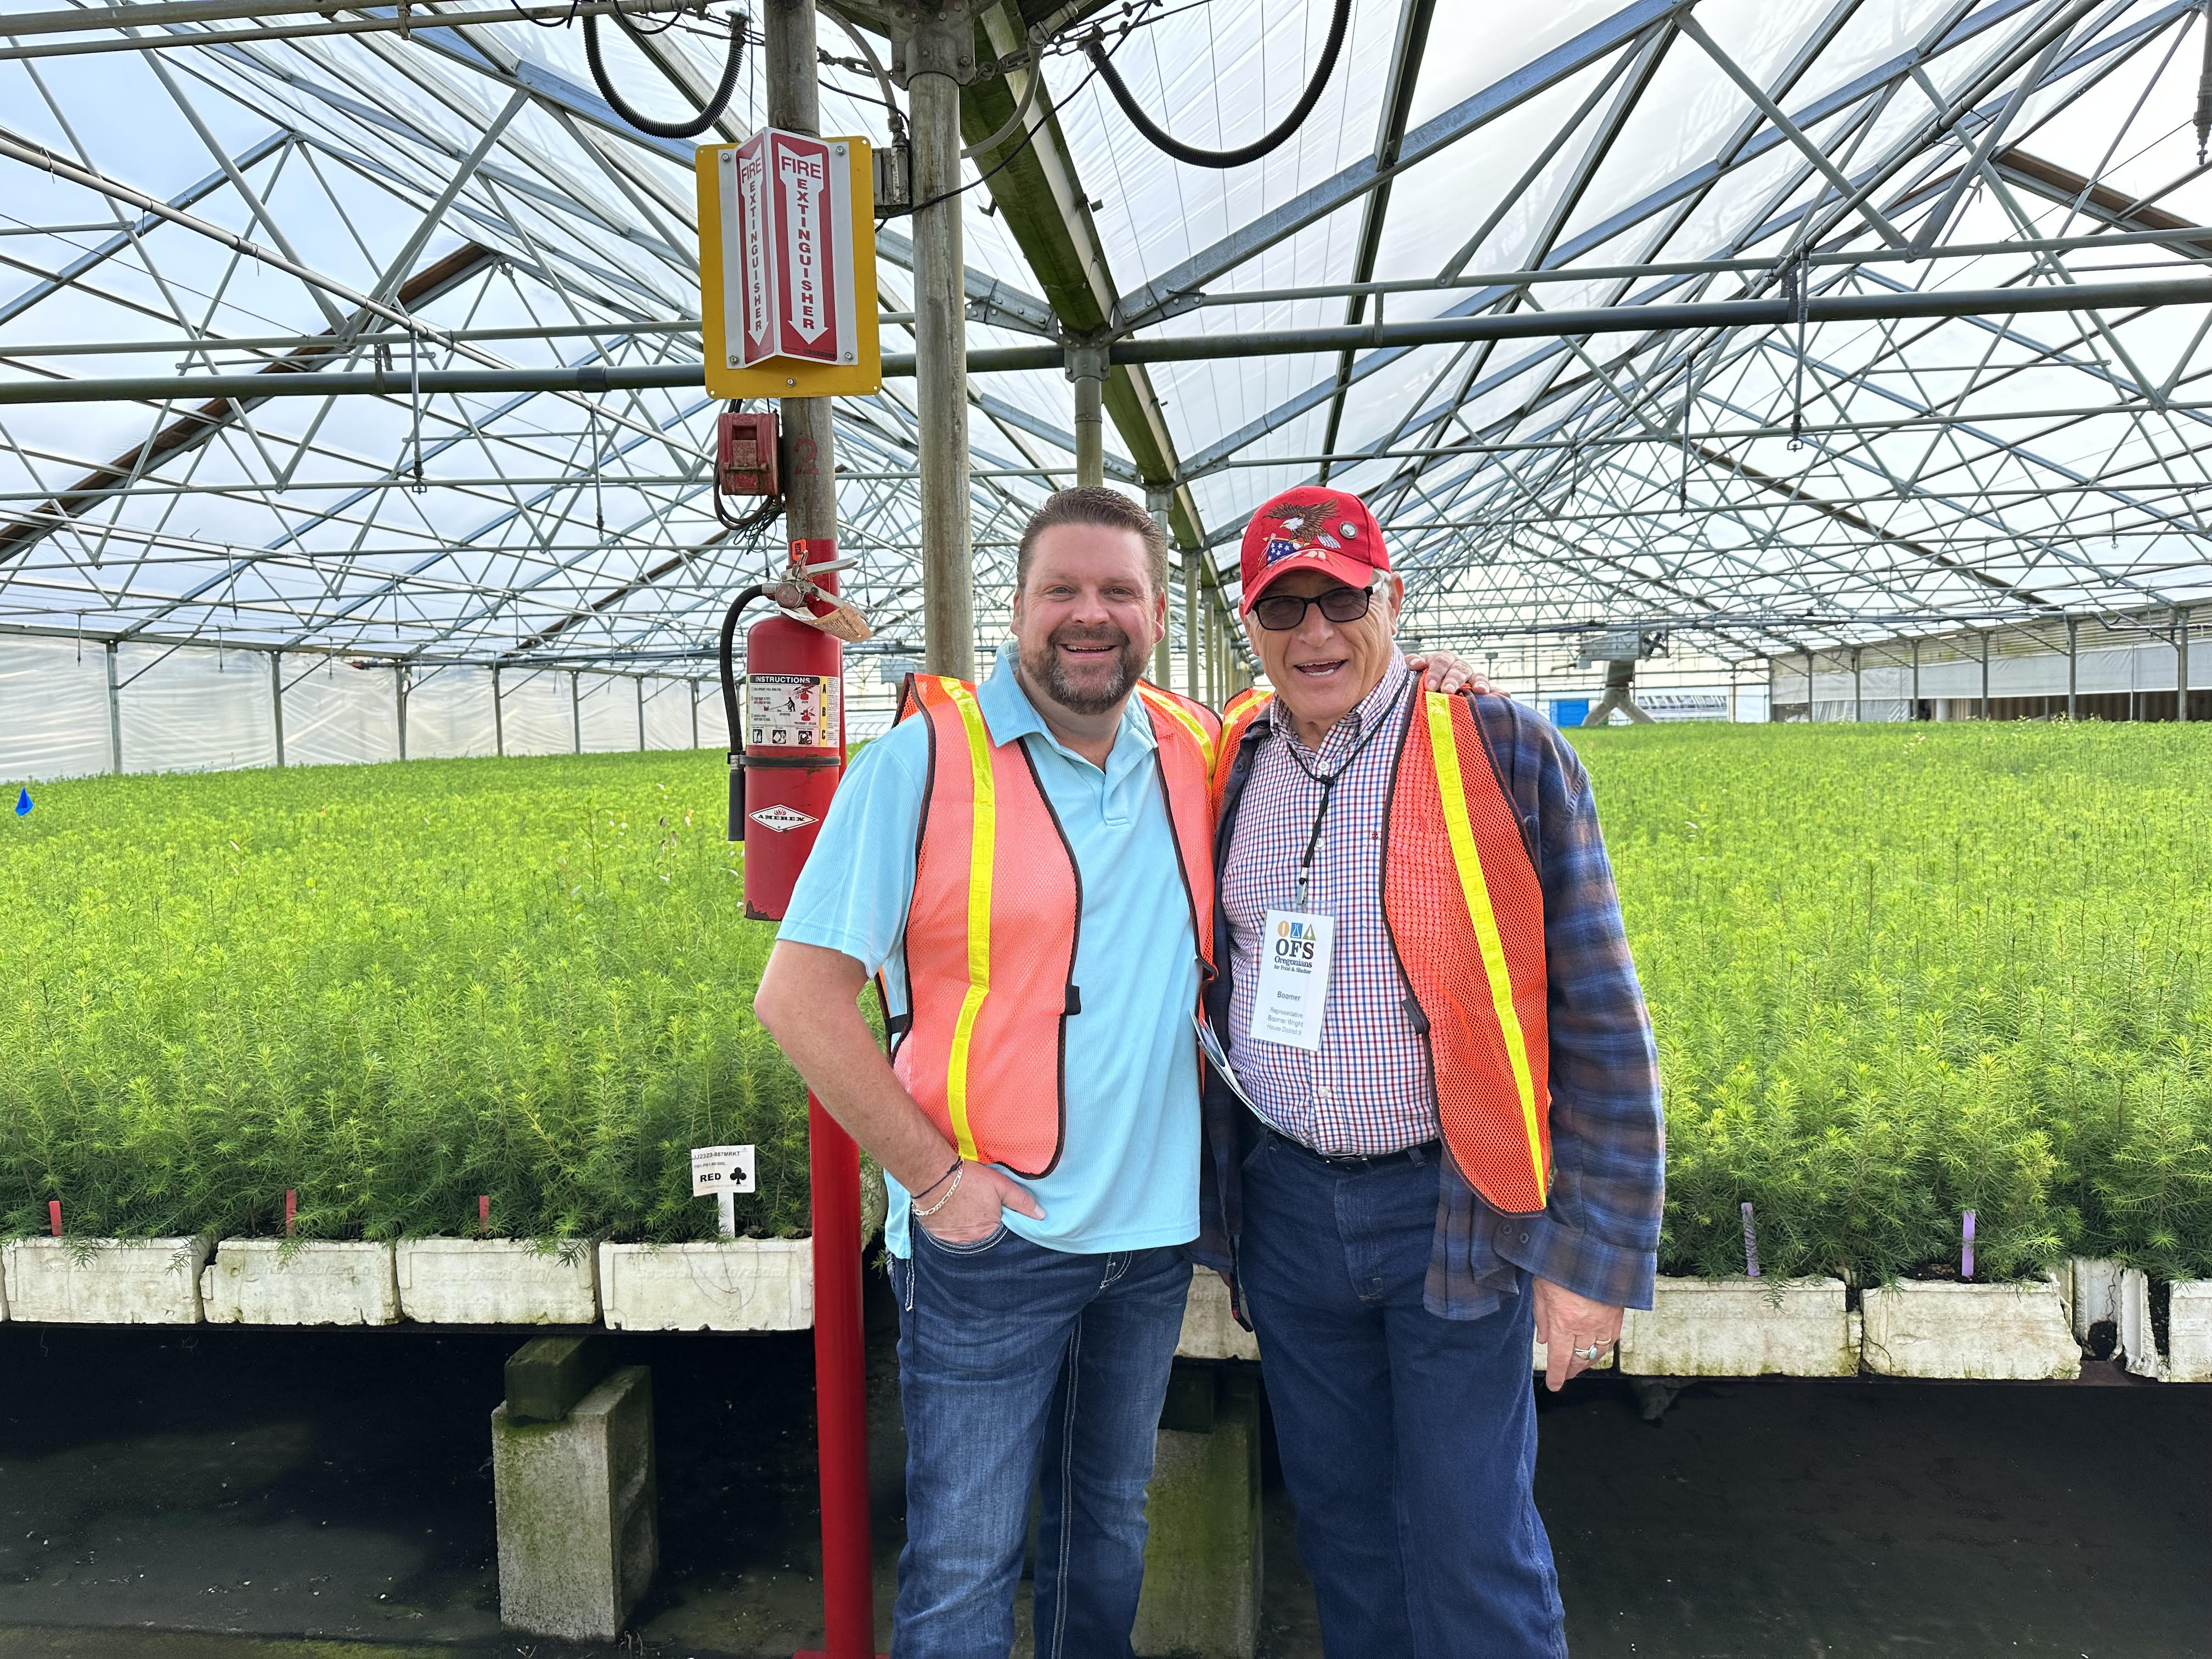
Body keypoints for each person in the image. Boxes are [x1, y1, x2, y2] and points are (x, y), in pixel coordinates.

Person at [753, 486, 1472, 1659]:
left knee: (1108, 1534)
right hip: (994, 1243)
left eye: (1118, 593)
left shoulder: (1197, 746)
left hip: (1147, 1243)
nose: (1091, 617)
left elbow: (1328, 685)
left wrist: (1425, 678)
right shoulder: (922, 765)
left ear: (1155, 613)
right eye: (1063, 592)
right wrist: (939, 1188)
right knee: (964, 1566)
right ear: (1019, 609)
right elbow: (797, 997)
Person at [1196, 484, 1665, 1658]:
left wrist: (1592, 1256)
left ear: (1389, 600)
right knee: (1347, 1539)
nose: (1315, 634)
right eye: (1283, 606)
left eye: (1342, 601)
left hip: (1451, 1209)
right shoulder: (1228, 765)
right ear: (1248, 626)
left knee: (1474, 1549)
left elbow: (1599, 1011)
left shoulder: (1496, 746)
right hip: (1290, 1212)